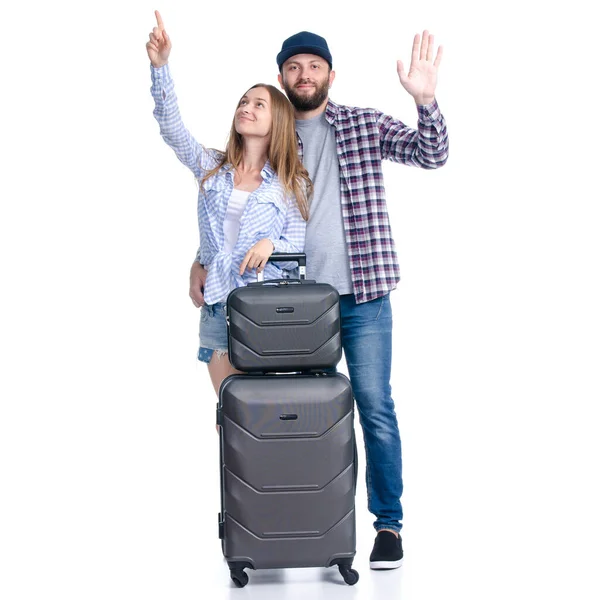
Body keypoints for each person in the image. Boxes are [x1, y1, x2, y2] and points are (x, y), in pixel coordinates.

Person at [190, 30, 449, 569]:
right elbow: (235, 208)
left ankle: (388, 526)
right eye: (293, 67)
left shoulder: (363, 123)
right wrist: (200, 257)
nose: (304, 74)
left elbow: (432, 154)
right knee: (291, 418)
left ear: (331, 74)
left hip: (364, 294)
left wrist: (425, 101)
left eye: (314, 65)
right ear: (282, 77)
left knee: (375, 407)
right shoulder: (275, 136)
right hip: (295, 308)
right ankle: (293, 526)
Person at [147, 12, 312, 395]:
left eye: (259, 105)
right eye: (243, 102)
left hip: (265, 310)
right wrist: (161, 67)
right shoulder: (211, 168)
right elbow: (172, 129)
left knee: (265, 417)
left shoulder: (291, 183)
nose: (247, 108)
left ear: (278, 122)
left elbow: (299, 245)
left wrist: (271, 244)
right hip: (218, 308)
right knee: (230, 419)